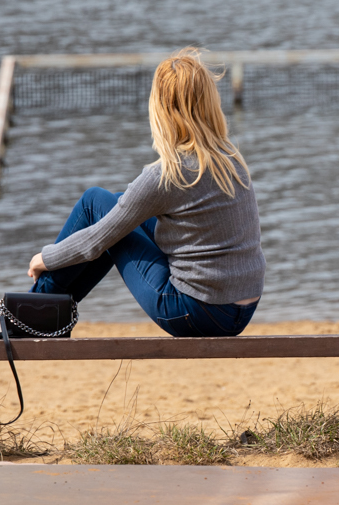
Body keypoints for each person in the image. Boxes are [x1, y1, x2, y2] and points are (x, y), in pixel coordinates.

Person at [27, 48, 264, 337]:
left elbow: (97, 241)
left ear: (162, 108)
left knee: (94, 203)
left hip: (194, 312)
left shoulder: (168, 175)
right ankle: (44, 313)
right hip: (243, 309)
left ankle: (34, 311)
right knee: (113, 204)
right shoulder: (230, 159)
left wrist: (45, 258)